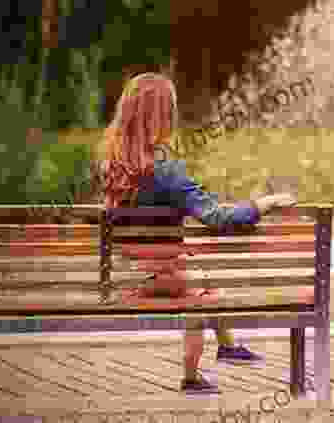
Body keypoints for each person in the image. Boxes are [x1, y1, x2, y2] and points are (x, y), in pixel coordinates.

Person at [101, 72, 296, 393]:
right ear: (164, 118)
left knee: (199, 278)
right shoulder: (166, 171)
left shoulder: (113, 166)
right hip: (162, 277)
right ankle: (191, 377)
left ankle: (228, 345)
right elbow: (216, 217)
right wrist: (263, 203)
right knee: (199, 298)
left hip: (126, 276)